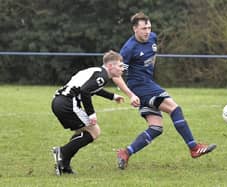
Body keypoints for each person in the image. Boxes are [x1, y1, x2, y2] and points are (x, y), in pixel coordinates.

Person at [113, 12, 217, 169]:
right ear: (135, 29)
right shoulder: (129, 48)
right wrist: (131, 94)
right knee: (174, 109)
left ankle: (126, 152)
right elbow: (116, 75)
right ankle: (194, 148)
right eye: (143, 28)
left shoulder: (153, 38)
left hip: (148, 83)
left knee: (156, 128)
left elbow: (152, 58)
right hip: (140, 86)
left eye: (149, 27)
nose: (147, 31)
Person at [51, 50, 140, 175]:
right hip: (68, 103)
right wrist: (91, 114)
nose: (122, 69)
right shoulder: (101, 76)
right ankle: (62, 152)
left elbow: (92, 88)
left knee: (81, 133)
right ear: (110, 66)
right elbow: (85, 91)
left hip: (59, 101)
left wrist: (113, 96)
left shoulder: (98, 72)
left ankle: (64, 164)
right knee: (94, 131)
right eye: (120, 66)